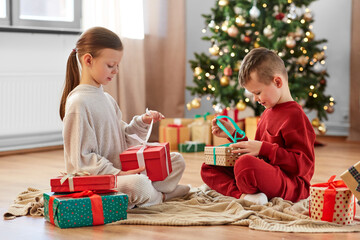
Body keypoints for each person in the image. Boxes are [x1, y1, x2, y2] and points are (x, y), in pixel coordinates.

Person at [59, 27, 190, 208]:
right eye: (110, 65)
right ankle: (160, 196)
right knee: (138, 185)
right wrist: (119, 173)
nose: (116, 71)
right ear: (88, 60)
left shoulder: (107, 99)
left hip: (120, 172)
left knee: (175, 160)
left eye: (117, 65)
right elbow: (82, 161)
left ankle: (152, 195)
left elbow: (124, 139)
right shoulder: (78, 103)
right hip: (99, 180)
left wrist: (141, 122)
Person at [201, 47, 315, 205]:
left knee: (245, 165)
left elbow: (303, 166)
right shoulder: (268, 111)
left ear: (277, 82)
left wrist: (263, 148)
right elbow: (257, 154)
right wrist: (233, 134)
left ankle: (245, 192)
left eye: (258, 92)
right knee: (208, 166)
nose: (255, 99)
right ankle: (244, 197)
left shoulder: (295, 116)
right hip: (266, 174)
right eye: (252, 94)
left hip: (292, 185)